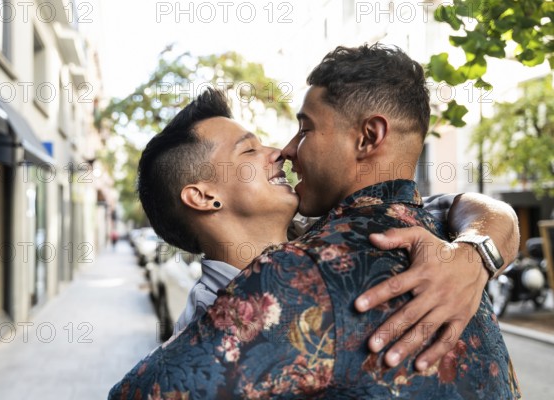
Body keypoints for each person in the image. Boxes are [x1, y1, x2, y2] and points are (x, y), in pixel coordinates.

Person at [110, 44, 520, 398]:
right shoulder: (436, 238)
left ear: (368, 138)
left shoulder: (437, 244)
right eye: (249, 150)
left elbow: (478, 209)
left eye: (304, 128)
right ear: (203, 196)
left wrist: (477, 249)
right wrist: (477, 252)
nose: (284, 150)